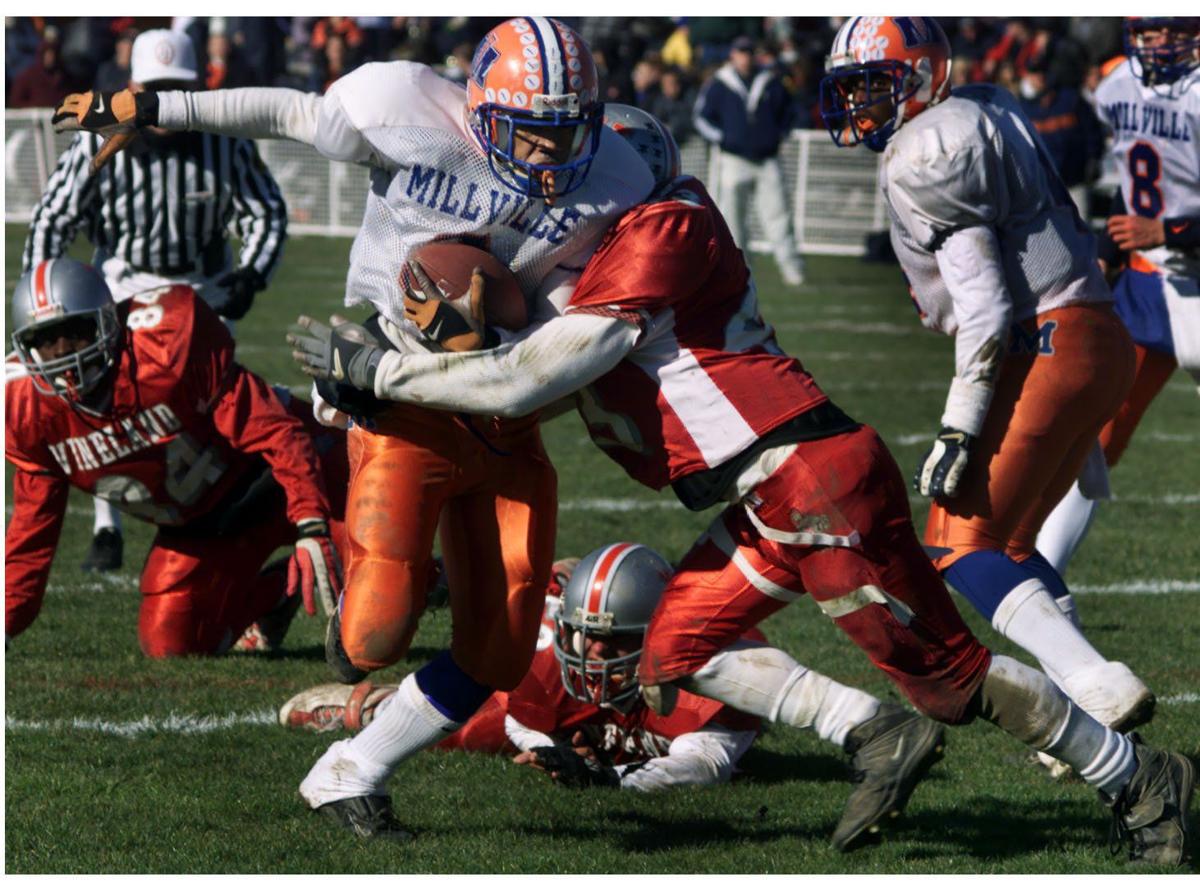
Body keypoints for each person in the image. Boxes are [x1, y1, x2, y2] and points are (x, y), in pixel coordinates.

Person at [288, 101, 1194, 865]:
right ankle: (873, 731)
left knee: (950, 678)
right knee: (669, 650)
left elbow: (531, 376)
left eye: (586, 187)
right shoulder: (607, 257)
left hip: (814, 480)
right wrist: (380, 375)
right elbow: (520, 356)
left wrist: (382, 374)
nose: (560, 208)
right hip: (769, 494)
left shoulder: (664, 229)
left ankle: (1141, 778)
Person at [53, 16, 654, 839]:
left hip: (502, 410)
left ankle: (352, 767)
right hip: (397, 403)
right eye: (531, 134)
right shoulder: (405, 109)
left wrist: (497, 340)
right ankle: (353, 651)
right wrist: (158, 107)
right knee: (374, 632)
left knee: (502, 648)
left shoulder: (617, 177)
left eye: (567, 133)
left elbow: (569, 340)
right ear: (481, 113)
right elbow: (292, 113)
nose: (551, 157)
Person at [819, 17, 1158, 741]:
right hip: (1097, 334)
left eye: (876, 85)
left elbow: (986, 308)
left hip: (1047, 340)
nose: (862, 106)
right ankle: (1090, 709)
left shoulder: (929, 147)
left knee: (956, 544)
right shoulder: (984, 106)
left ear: (924, 76)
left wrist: (959, 424)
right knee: (1008, 548)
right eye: (853, 90)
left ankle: (1097, 686)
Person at [282, 542, 943, 840]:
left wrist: (610, 784)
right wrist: (544, 746)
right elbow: (523, 722)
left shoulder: (725, 673)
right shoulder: (554, 654)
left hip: (635, 734)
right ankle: (366, 708)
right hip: (568, 715)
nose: (590, 652)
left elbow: (700, 766)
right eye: (583, 635)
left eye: (610, 640)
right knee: (476, 723)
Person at [25, 28, 288, 574]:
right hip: (123, 283)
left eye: (176, 88)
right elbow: (54, 215)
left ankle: (217, 514)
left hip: (201, 285)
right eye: (154, 87)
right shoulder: (98, 139)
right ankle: (106, 525)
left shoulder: (225, 140)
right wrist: (43, 287)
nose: (163, 103)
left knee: (208, 407)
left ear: (195, 87)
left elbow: (265, 210)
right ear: (132, 87)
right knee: (107, 402)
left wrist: (251, 275)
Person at [5, 258, 346, 657]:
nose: (63, 355)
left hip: (275, 476)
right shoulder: (27, 409)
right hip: (205, 523)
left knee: (375, 604)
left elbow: (275, 429)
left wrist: (310, 520)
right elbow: (31, 536)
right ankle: (276, 595)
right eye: (46, 340)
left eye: (75, 334)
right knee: (173, 641)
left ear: (106, 322)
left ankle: (426, 578)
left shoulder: (163, 344)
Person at [1036, 17, 1200, 575]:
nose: (1158, 42)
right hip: (1147, 282)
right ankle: (1043, 581)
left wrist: (1171, 232)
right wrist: (1107, 250)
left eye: (1171, 28)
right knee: (1091, 444)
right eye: (1148, 30)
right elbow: (1130, 191)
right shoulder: (1117, 86)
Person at [694, 35, 806, 287]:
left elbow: (789, 113)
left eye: (748, 52)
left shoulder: (770, 81)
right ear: (732, 55)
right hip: (733, 160)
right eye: (740, 52)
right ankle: (739, 272)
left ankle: (792, 269)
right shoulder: (720, 83)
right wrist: (723, 139)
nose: (744, 57)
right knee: (732, 219)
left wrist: (778, 136)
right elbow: (701, 117)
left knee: (779, 216)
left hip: (767, 159)